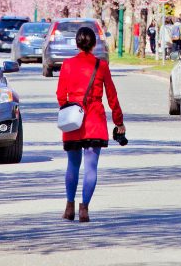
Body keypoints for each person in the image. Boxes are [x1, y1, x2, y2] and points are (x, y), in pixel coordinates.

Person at [56, 26, 124, 222]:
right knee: (91, 167)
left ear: (76, 43)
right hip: (94, 119)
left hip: (73, 119)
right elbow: (112, 96)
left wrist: (70, 108)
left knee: (72, 164)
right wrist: (119, 122)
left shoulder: (67, 65)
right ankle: (84, 208)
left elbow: (61, 95)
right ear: (94, 44)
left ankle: (69, 207)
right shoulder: (101, 66)